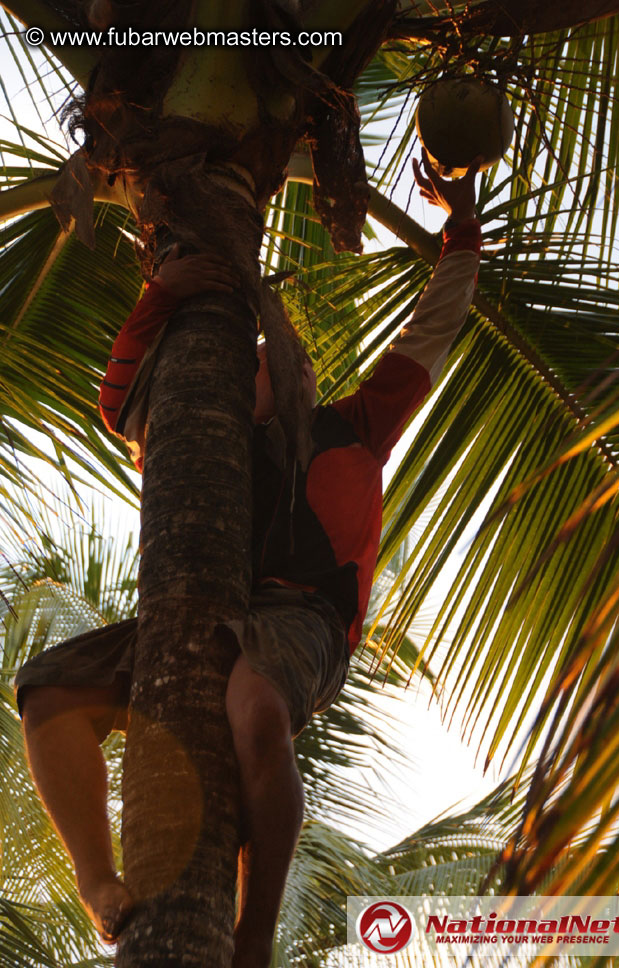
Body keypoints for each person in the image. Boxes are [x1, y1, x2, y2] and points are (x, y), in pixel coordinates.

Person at [14, 153, 482, 968]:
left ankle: (253, 932)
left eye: (284, 362)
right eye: (257, 362)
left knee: (255, 710)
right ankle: (99, 885)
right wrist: (163, 294)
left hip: (300, 618)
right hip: (194, 607)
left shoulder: (352, 426)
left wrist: (461, 227)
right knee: (47, 693)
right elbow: (120, 401)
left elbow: (434, 326)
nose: (277, 368)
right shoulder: (196, 444)